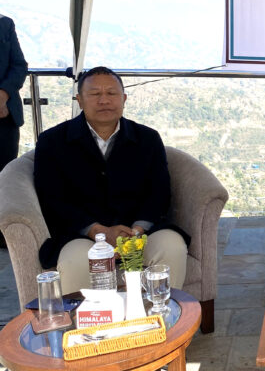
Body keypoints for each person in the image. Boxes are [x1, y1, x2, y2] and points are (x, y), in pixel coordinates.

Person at [34, 66, 189, 294]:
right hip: (80, 235)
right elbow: (51, 198)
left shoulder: (147, 139)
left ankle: (161, 314)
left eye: (111, 93)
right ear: (79, 100)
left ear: (123, 99)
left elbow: (159, 192)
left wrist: (136, 231)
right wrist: (97, 231)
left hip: (139, 232)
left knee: (171, 246)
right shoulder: (52, 141)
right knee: (75, 261)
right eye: (95, 94)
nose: (104, 100)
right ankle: (89, 318)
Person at [0, 14, 27, 173]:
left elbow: (19, 66)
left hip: (6, 117)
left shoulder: (5, 24)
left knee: (7, 175)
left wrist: (3, 94)